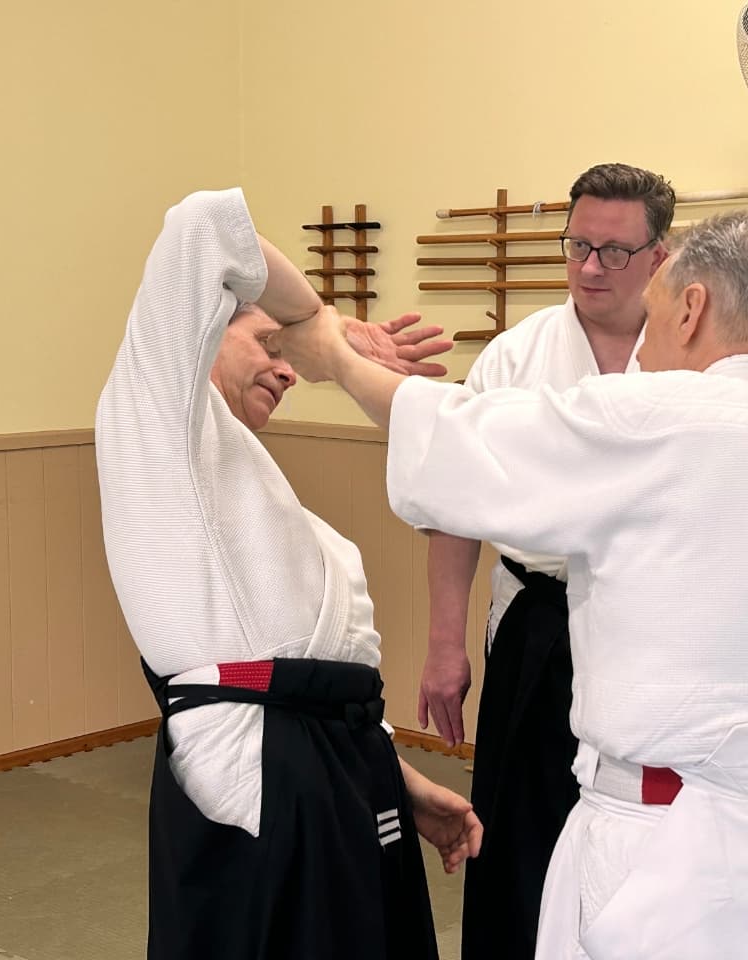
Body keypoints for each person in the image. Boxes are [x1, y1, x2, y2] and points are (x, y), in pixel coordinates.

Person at [279, 210, 748, 960]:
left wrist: (334, 353)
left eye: (653, 315)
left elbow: (457, 439)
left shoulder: (651, 420)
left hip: (662, 849)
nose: (642, 349)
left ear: (692, 308)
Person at [95, 187, 482, 960]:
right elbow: (203, 224)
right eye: (265, 344)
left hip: (338, 765)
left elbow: (321, 675)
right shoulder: (154, 416)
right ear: (204, 330)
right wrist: (315, 326)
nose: (287, 369)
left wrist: (402, 783)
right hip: (259, 773)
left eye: (287, 352)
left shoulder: (253, 490)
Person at [419, 162, 676, 960]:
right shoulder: (514, 359)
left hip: (654, 619)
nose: (591, 267)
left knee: (646, 832)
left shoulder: (690, 358)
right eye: (578, 246)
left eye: (614, 251)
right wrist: (445, 644)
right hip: (537, 615)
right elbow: (452, 509)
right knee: (518, 826)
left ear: (660, 257)